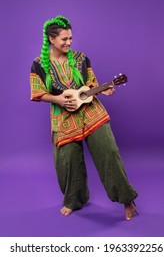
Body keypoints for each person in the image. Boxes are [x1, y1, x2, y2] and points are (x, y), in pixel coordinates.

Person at [30, 15, 138, 220]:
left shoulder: (81, 58)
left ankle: (127, 200)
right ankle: (74, 200)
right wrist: (59, 100)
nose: (69, 43)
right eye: (64, 39)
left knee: (109, 154)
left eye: (71, 38)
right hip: (63, 118)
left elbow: (90, 84)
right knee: (68, 162)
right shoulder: (38, 65)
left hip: (91, 113)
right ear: (51, 39)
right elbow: (38, 93)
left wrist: (103, 90)